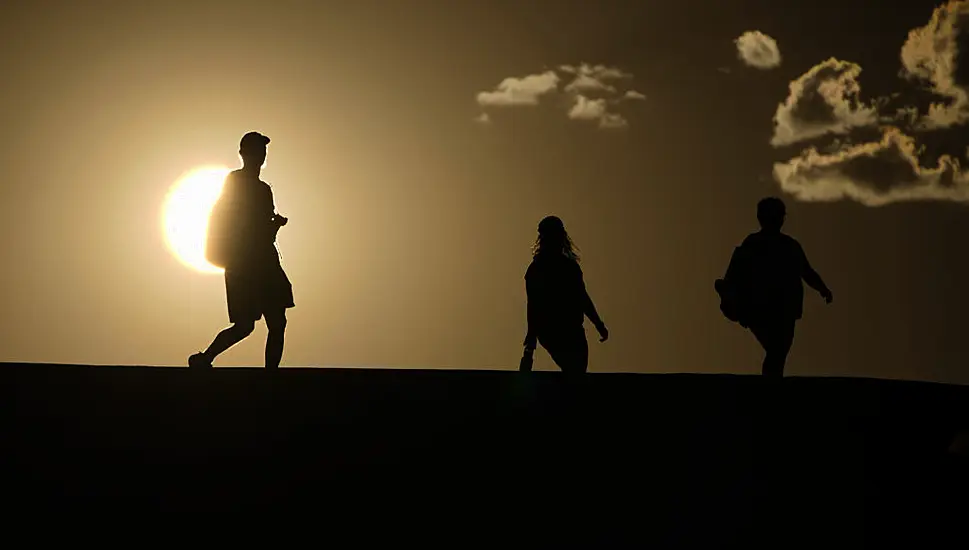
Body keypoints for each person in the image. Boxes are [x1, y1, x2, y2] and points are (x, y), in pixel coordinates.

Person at [188, 131, 295, 369]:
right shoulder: (235, 182)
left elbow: (262, 231)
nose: (261, 155)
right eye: (256, 150)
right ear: (244, 154)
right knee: (246, 325)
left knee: (277, 322)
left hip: (264, 262)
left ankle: (270, 374)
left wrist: (274, 226)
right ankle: (206, 358)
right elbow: (238, 221)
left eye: (262, 151)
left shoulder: (264, 189)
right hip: (244, 263)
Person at [719, 197, 832, 378]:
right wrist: (731, 295)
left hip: (784, 309)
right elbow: (736, 271)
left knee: (778, 352)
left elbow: (806, 271)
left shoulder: (789, 246)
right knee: (777, 351)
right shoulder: (755, 244)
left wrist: (822, 288)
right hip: (760, 307)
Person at [521, 216, 608, 373]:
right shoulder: (536, 270)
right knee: (574, 371)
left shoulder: (570, 268)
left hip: (573, 331)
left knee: (577, 371)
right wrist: (531, 341)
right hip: (551, 331)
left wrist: (598, 323)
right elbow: (533, 305)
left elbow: (582, 298)